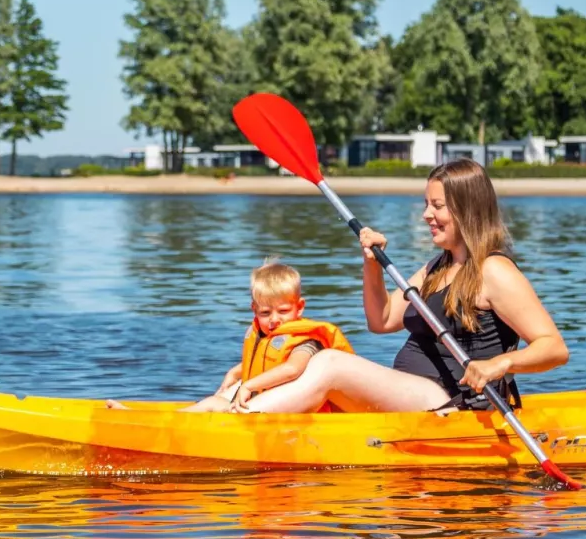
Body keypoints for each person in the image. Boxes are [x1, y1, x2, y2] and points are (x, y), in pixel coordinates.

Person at [240, 158, 568, 414]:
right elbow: (381, 320)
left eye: (437, 206)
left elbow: (553, 348)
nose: (426, 214)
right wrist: (371, 263)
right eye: (427, 204)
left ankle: (240, 418)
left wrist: (500, 364)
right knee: (310, 366)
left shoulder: (493, 270)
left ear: (467, 209)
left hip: (455, 402)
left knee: (328, 363)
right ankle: (226, 406)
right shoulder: (435, 269)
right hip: (414, 395)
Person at [181, 257, 354, 412]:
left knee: (213, 404)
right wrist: (234, 374)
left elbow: (292, 369)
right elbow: (266, 361)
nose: (274, 320)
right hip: (266, 410)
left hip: (298, 417)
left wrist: (249, 385)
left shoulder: (305, 342)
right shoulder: (265, 336)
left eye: (283, 311)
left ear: (299, 307)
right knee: (213, 401)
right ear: (254, 310)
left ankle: (165, 429)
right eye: (265, 313)